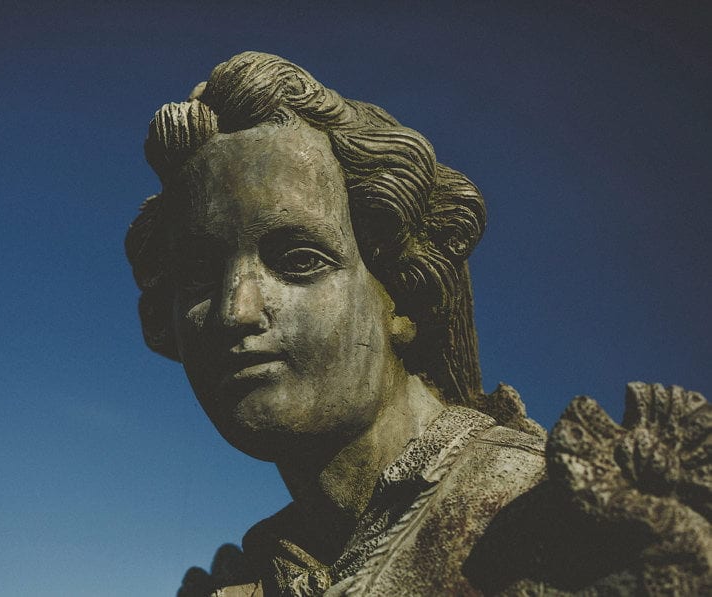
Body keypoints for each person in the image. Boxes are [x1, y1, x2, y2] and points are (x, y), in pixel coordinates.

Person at [126, 52, 710, 596]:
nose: (236, 311)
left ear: (402, 296)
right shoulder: (258, 574)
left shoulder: (568, 529)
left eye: (298, 261)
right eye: (198, 278)